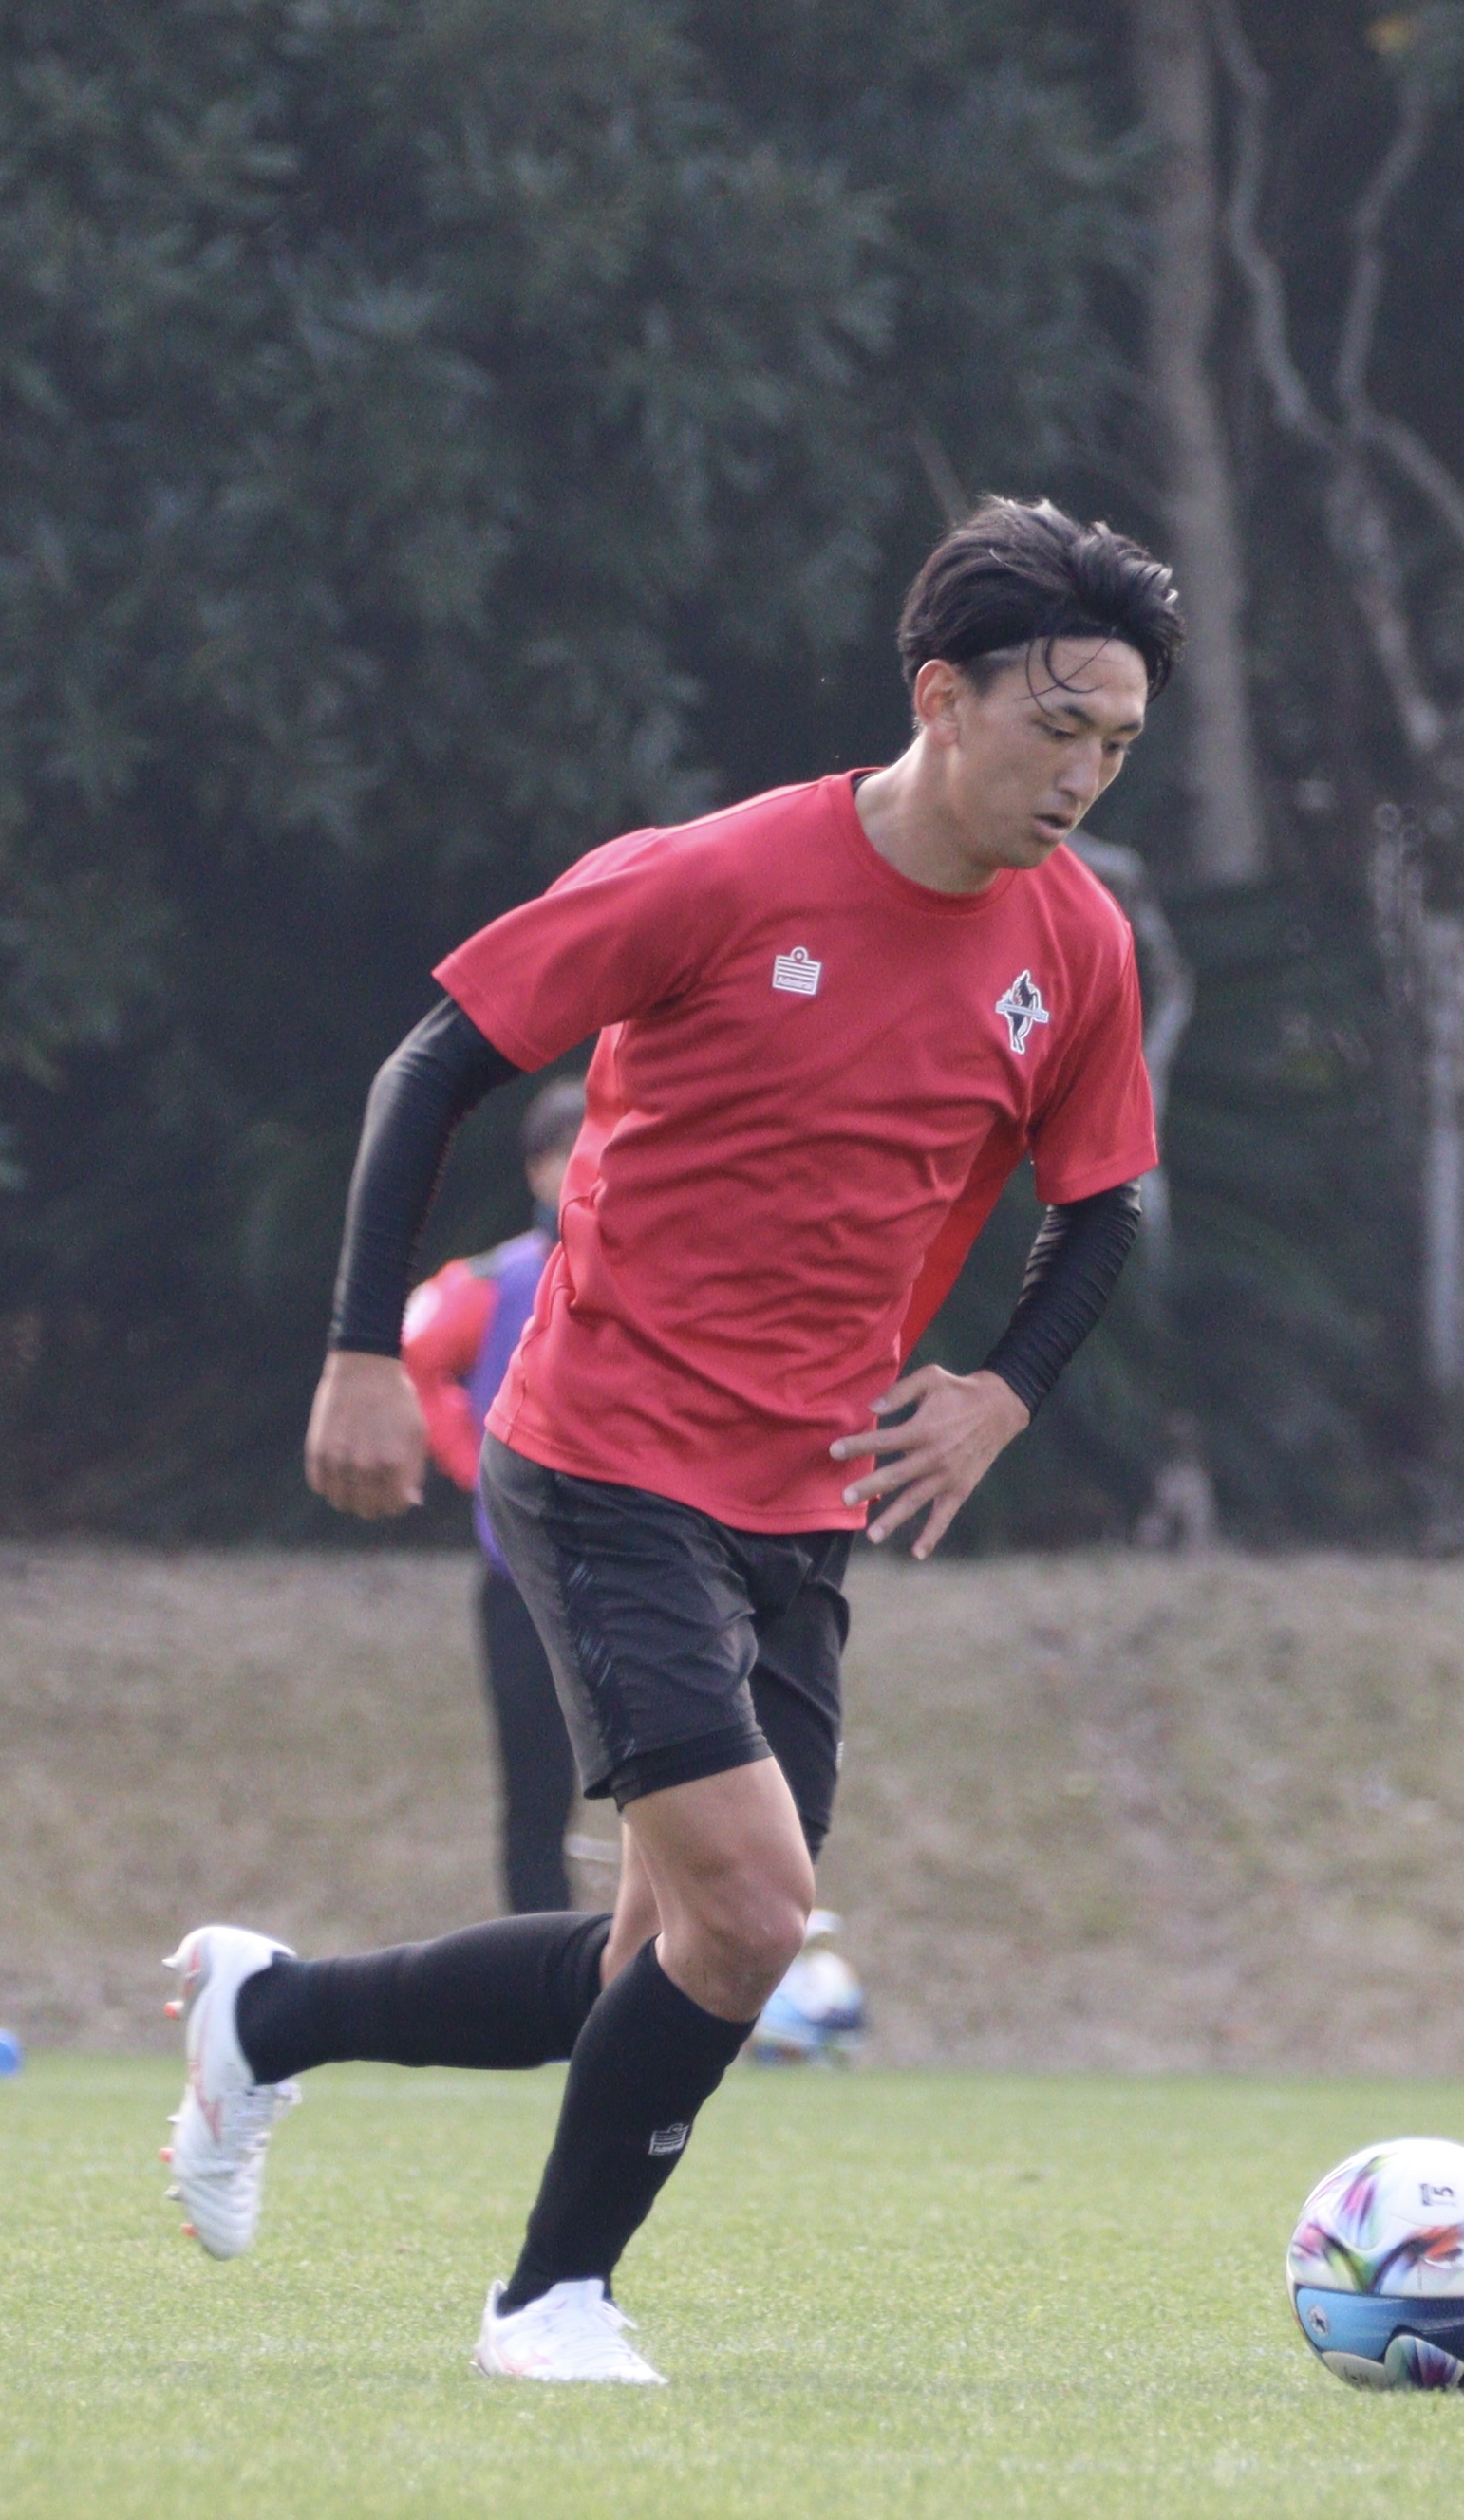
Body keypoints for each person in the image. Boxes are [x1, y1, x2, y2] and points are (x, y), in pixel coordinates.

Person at [161, 498, 1175, 2382]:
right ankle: (547, 2301)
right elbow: (432, 1064)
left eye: (1115, 744)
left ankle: (267, 2017)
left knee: (667, 1958)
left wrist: (1002, 1388)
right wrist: (358, 1352)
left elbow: (1098, 1201)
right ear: (938, 697)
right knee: (756, 1911)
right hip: (603, 1454)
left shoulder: (1077, 945)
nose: (1082, 777)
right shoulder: (714, 877)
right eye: (1056, 727)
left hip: (801, 1495)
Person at [399, 1075, 590, 1915]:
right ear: (538, 1169)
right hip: (520, 1581)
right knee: (535, 1798)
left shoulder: (669, 1279)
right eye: (576, 1154)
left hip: (643, 1574)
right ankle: (544, 1968)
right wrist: (472, 1459)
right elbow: (413, 1356)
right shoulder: (496, 1280)